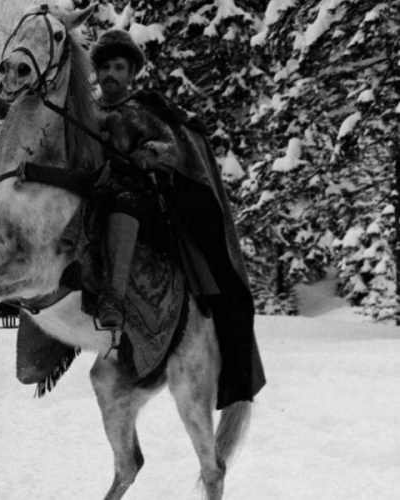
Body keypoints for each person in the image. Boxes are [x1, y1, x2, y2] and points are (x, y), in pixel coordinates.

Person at [89, 29, 265, 408]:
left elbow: (174, 148)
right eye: (104, 66)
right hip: (91, 196)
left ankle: (116, 300)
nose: (110, 74)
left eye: (119, 67)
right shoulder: (86, 112)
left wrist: (150, 153)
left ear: (131, 72)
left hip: (140, 204)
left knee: (124, 202)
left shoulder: (144, 109)